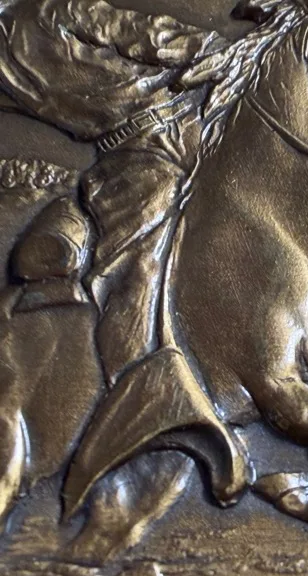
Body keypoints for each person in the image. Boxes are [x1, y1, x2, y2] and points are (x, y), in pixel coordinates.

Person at [0, 0, 228, 383]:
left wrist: (212, 48)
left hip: (180, 123)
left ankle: (136, 365)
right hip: (141, 147)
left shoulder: (42, 14)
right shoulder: (19, 34)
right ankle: (135, 368)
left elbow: (139, 32)